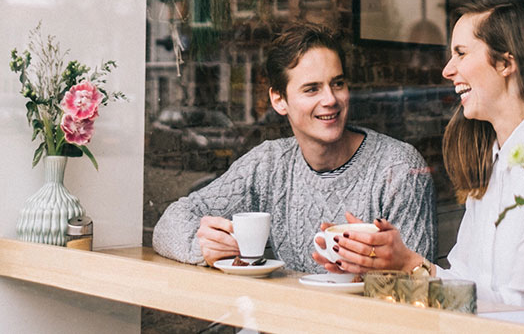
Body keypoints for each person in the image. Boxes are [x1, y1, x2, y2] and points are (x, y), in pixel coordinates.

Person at [316, 0, 524, 308]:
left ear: (505, 63)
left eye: (461, 54)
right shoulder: (492, 159)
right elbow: (463, 282)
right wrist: (382, 264)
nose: (448, 70)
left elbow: (520, 307)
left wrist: (408, 263)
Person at [152, 22, 436, 273]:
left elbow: (419, 282)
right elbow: (170, 222)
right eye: (311, 89)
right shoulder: (268, 164)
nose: (330, 99)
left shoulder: (397, 168)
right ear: (278, 100)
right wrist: (200, 245)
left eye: (337, 83)